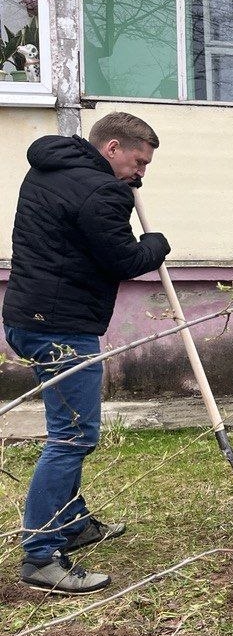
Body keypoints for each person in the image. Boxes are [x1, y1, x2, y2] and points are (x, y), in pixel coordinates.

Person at [3, 112, 171, 595]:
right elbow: (124, 260)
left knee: (69, 429)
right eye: (139, 162)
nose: (141, 173)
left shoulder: (47, 168)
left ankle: (72, 523)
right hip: (61, 327)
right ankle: (40, 555)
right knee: (73, 436)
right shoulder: (103, 192)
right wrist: (156, 244)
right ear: (112, 148)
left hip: (26, 317)